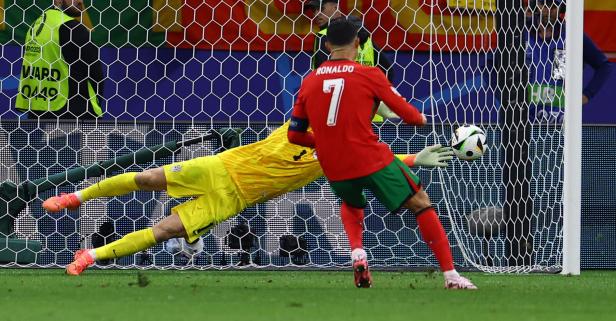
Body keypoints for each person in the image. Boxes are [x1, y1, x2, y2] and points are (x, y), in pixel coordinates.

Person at [42, 121, 453, 276]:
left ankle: (89, 258)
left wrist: (417, 156)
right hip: (220, 166)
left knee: (163, 229)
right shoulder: (300, 123)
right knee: (149, 177)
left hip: (232, 199)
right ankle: (76, 196)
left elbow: (380, 161)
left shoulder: (338, 155)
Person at [287, 18, 476, 289]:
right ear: (357, 42)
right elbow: (409, 117)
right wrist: (423, 118)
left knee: (352, 203)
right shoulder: (370, 74)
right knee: (421, 202)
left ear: (327, 44)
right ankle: (451, 276)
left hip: (334, 166)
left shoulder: (309, 82)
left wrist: (325, 143)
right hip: (369, 157)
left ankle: (358, 253)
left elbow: (294, 135)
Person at [14, 0, 104, 119]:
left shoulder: (35, 25)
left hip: (38, 111)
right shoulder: (73, 28)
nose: (80, 0)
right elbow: (96, 73)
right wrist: (97, 103)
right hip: (72, 114)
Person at [304, 0, 397, 122]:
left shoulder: (325, 37)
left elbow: (323, 80)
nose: (316, 14)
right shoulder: (363, 35)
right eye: (313, 10)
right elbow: (389, 71)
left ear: (336, 6)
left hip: (339, 118)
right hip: (371, 119)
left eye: (321, 8)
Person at [526, 0, 612, 123]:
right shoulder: (520, 33)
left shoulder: (572, 35)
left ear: (561, 8)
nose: (548, 9)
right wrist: (504, 96)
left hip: (560, 123)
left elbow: (604, 66)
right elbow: (490, 64)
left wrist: (586, 95)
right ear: (537, 6)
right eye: (544, 4)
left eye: (554, 5)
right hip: (523, 123)